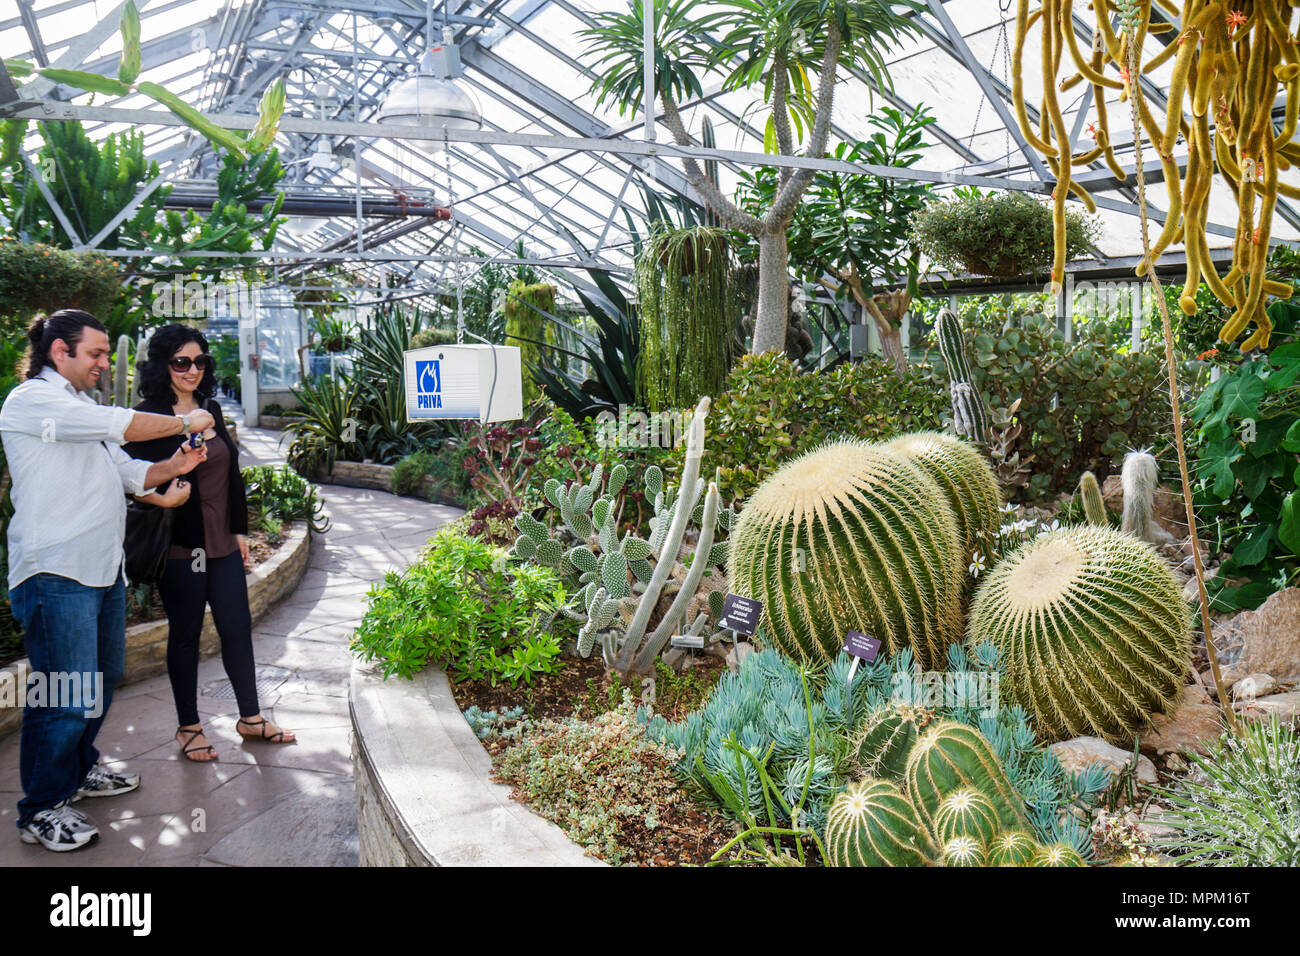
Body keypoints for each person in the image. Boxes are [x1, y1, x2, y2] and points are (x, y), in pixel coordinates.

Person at [1, 310, 211, 852]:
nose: (102, 362)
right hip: (54, 570)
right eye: (94, 353)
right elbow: (123, 426)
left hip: (100, 569)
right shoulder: (33, 402)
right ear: (59, 353)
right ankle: (41, 807)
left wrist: (175, 466)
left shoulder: (79, 407)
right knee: (64, 693)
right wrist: (188, 422)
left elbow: (130, 470)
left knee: (101, 678)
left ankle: (77, 770)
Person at [124, 323, 295, 764]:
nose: (192, 370)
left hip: (221, 544)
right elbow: (133, 480)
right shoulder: (150, 416)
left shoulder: (211, 408)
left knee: (238, 630)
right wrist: (165, 493)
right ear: (163, 365)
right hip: (183, 547)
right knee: (185, 636)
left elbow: (231, 475)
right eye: (182, 361)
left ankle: (251, 718)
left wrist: (239, 531)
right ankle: (189, 727)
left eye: (200, 361)